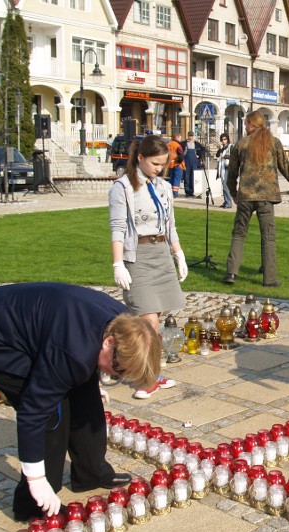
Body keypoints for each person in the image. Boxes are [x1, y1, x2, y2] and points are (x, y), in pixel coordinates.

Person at [0, 283, 162, 521]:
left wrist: (94, 379)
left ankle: (91, 472)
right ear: (109, 342)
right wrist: (37, 479)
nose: (116, 376)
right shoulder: (72, 353)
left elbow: (82, 358)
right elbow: (33, 411)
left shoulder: (121, 324)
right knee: (52, 411)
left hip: (39, 325)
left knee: (84, 388)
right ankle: (32, 504)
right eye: (116, 369)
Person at [109, 134, 188, 398]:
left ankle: (142, 369)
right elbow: (118, 227)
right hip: (138, 255)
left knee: (153, 319)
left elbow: (171, 225)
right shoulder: (123, 187)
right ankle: (146, 378)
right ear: (140, 158)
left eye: (163, 164)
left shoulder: (163, 187)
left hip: (160, 252)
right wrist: (118, 262)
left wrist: (179, 254)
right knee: (148, 322)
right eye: (155, 163)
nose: (159, 168)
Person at [224, 110, 289, 287]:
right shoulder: (273, 143)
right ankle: (269, 278)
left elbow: (231, 173)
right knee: (268, 237)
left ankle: (231, 273)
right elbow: (287, 169)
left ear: (253, 124)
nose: (245, 126)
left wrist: (233, 193)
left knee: (239, 234)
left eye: (246, 123)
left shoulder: (240, 144)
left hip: (245, 196)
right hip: (266, 197)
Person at [184, 132, 206, 198]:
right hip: (187, 162)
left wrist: (200, 158)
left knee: (193, 176)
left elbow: (203, 150)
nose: (190, 137)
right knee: (187, 176)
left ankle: (192, 191)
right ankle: (187, 191)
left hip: (194, 162)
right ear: (188, 136)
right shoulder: (184, 144)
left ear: (193, 136)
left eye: (192, 136)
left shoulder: (196, 144)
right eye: (189, 136)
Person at [216, 133, 234, 209]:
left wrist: (225, 156)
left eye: (225, 139)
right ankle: (226, 201)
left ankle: (229, 202)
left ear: (227, 139)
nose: (223, 141)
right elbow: (217, 155)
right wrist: (220, 148)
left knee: (225, 185)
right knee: (223, 185)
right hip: (222, 167)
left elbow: (233, 156)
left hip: (228, 167)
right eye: (222, 139)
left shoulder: (230, 147)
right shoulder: (222, 148)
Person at [166, 132, 185, 199]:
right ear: (177, 137)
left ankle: (170, 192)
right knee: (177, 179)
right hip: (177, 165)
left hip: (170, 165)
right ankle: (175, 193)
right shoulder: (177, 145)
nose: (181, 139)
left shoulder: (168, 144)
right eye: (180, 137)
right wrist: (179, 161)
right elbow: (181, 155)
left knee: (171, 179)